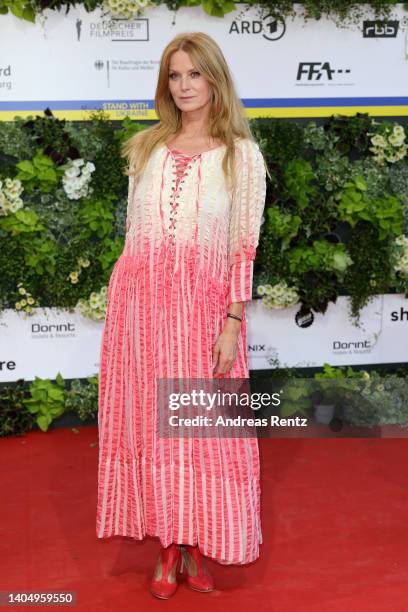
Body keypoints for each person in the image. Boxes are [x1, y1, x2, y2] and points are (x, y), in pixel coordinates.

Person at [96, 31, 268, 599]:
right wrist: (126, 311)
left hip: (205, 314)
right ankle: (169, 550)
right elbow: (133, 236)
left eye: (194, 74)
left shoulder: (240, 155)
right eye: (175, 75)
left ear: (215, 79)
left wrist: (233, 321)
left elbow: (244, 247)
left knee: (203, 430)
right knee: (153, 427)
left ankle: (195, 544)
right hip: (143, 312)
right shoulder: (145, 147)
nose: (185, 85)